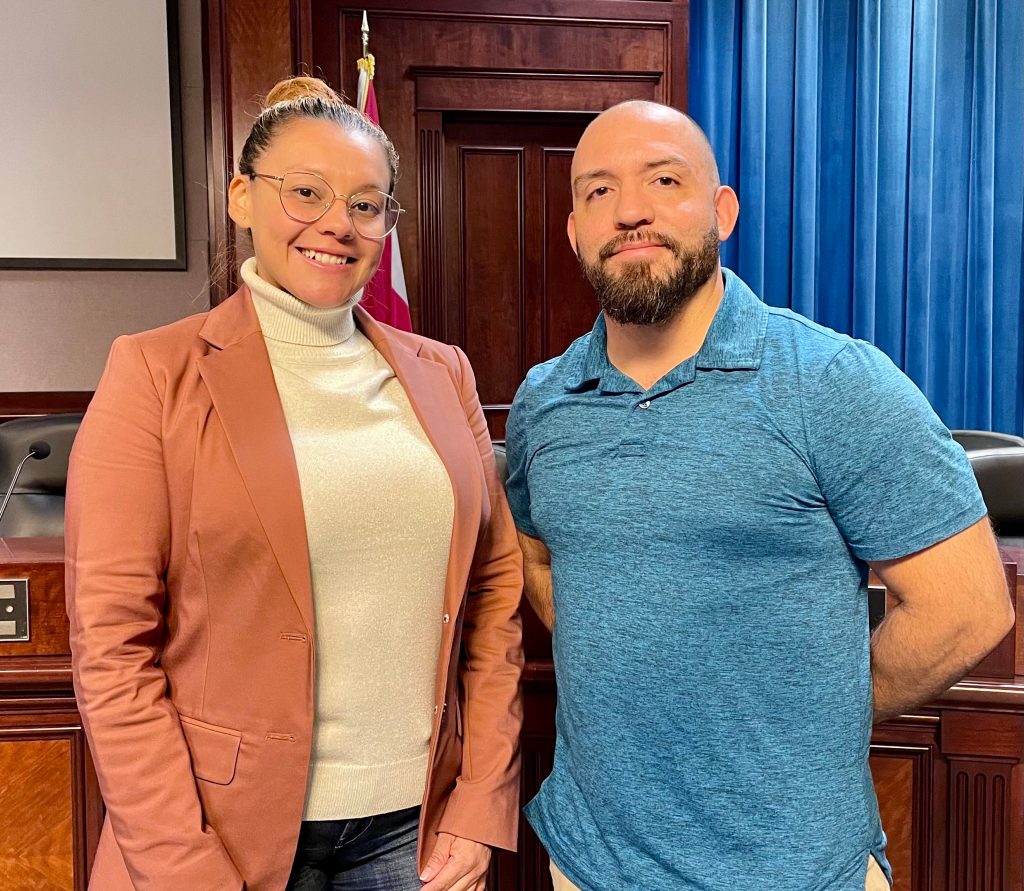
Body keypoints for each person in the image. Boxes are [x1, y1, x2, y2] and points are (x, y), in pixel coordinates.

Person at [504, 100, 1014, 891]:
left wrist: (808, 708)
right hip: (590, 865)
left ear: (722, 211)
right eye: (598, 191)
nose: (630, 210)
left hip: (798, 869)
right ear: (575, 231)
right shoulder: (545, 399)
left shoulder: (835, 383)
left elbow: (970, 606)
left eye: (663, 179)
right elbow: (537, 552)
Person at [66, 76, 524, 891]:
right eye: (305, 191)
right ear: (242, 196)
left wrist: (481, 802)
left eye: (366, 204)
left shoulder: (443, 372)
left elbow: (492, 600)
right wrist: (181, 866)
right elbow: (111, 650)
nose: (336, 225)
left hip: (415, 831)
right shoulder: (153, 372)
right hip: (221, 836)